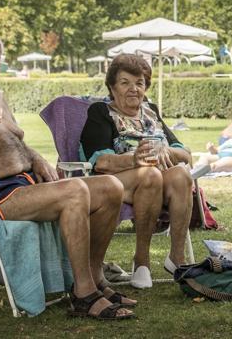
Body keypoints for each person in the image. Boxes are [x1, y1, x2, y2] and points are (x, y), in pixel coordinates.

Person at [0, 26, 134, 320]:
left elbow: (13, 140)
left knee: (111, 186)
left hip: (24, 184)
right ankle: (84, 295)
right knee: (75, 191)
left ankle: (96, 277)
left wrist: (35, 158)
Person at [80, 54, 193, 289]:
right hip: (118, 182)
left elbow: (185, 154)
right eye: (125, 82)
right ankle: (141, 260)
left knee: (182, 174)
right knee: (149, 174)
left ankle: (177, 258)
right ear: (112, 86)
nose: (133, 89)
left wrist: (166, 150)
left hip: (158, 181)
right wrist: (135, 159)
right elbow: (99, 161)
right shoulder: (101, 112)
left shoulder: (151, 111)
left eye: (139, 83)